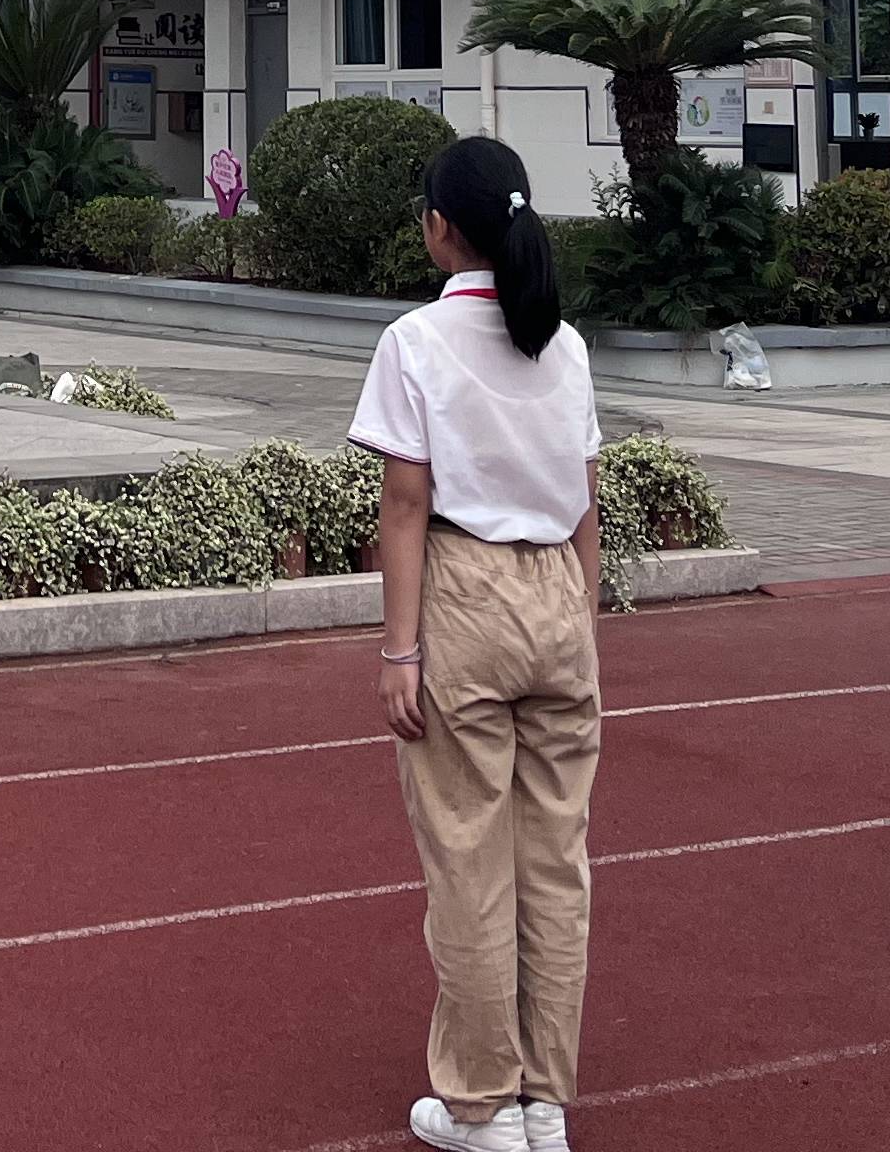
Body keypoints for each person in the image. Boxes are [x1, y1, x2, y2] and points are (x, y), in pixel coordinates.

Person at [352, 132, 603, 1152]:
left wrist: (399, 650)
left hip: (464, 591)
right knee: (556, 860)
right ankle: (544, 1097)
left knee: (468, 858)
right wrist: (580, 621)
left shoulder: (416, 342)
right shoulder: (567, 342)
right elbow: (588, 505)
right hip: (556, 595)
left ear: (437, 228)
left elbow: (404, 507)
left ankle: (480, 1104)